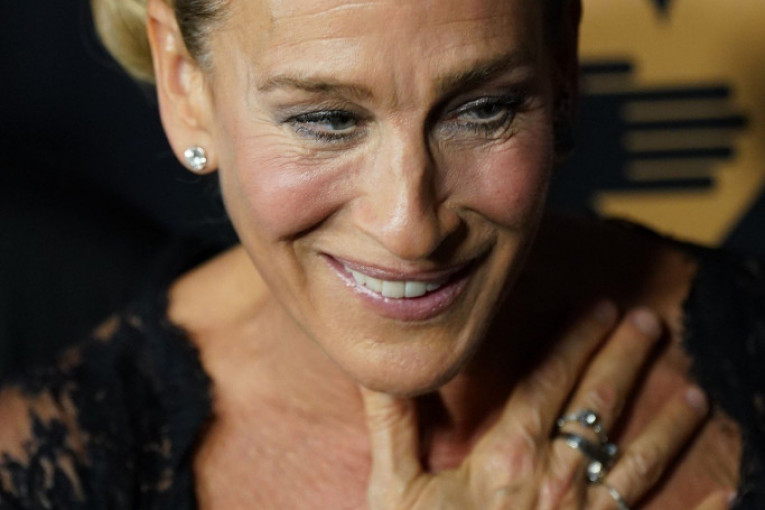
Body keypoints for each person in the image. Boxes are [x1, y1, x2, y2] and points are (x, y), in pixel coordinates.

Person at [0, 0, 762, 508]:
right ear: (183, 83)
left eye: (482, 109)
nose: (409, 229)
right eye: (326, 119)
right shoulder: (41, 467)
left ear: (560, 58)